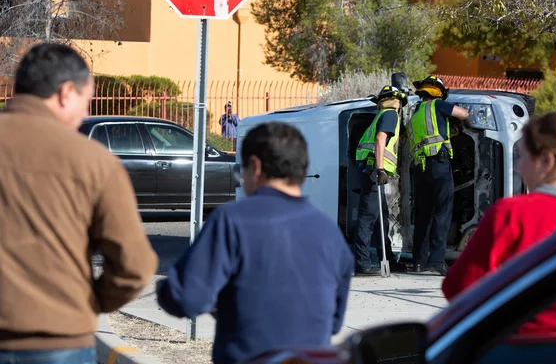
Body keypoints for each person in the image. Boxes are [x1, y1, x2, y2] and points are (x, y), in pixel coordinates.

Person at [0, 43, 158, 363]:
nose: (86, 114)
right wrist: (88, 301)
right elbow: (135, 266)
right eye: (86, 101)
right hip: (59, 340)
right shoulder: (93, 161)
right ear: (66, 92)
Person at [156, 122, 354, 363]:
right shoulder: (329, 231)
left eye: (242, 171)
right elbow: (332, 323)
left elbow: (186, 298)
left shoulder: (231, 220)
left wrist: (162, 287)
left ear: (256, 166)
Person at [443, 111, 556, 337]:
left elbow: (459, 289)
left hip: (525, 347)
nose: (519, 168)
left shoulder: (511, 214)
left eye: (522, 157)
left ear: (546, 160)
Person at [407, 75, 468, 276]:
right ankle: (436, 261)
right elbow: (463, 114)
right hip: (439, 165)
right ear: (438, 92)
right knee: (442, 213)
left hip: (420, 168)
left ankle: (418, 262)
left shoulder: (415, 113)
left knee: (423, 215)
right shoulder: (439, 105)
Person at [354, 85, 408, 276]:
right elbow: (380, 139)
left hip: (368, 168)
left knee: (381, 218)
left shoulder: (381, 114)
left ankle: (389, 260)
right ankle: (362, 263)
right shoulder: (391, 114)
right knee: (368, 217)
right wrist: (380, 168)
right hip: (373, 170)